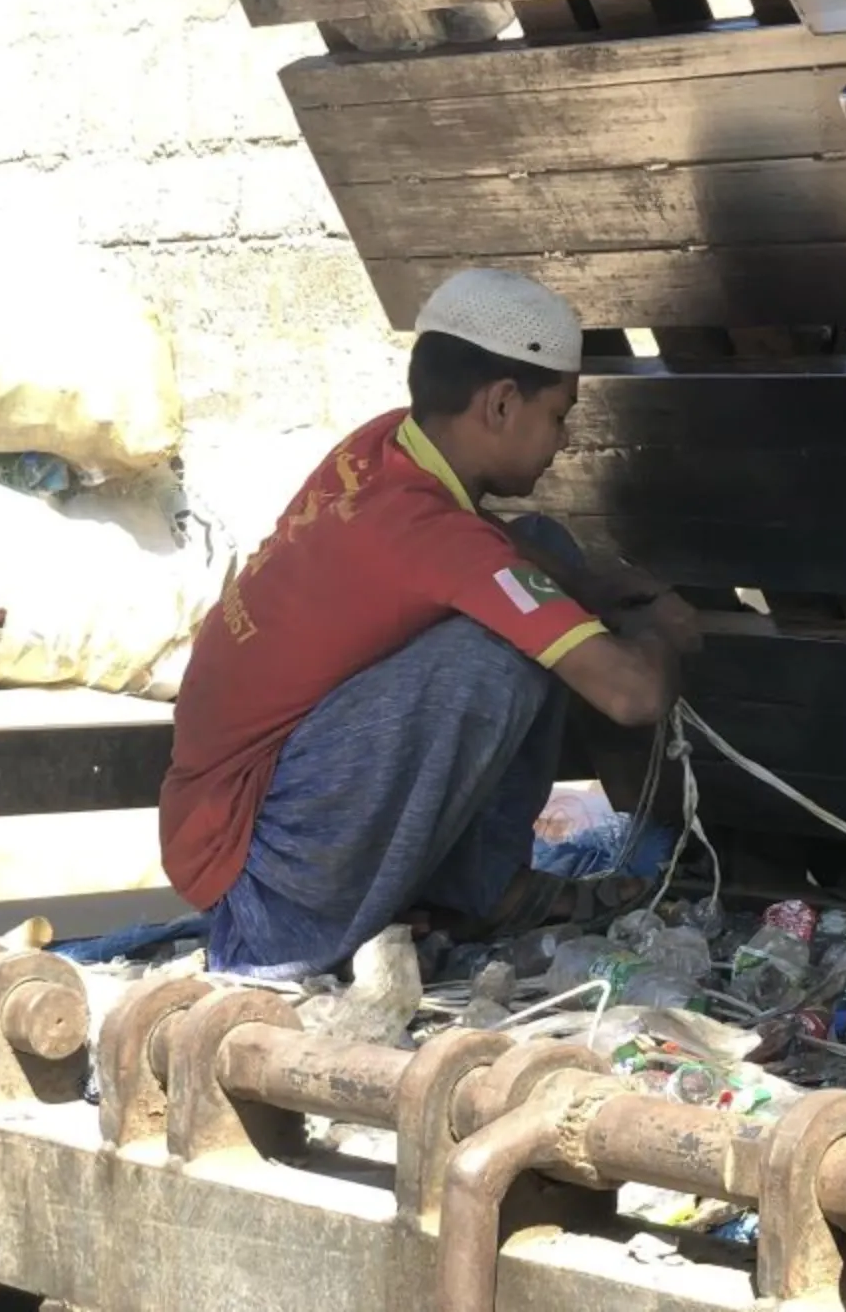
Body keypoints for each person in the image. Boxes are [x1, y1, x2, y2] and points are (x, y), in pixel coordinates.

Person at [158, 268, 699, 977]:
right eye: (560, 415)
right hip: (261, 880)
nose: (563, 441)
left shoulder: (384, 446)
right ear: (503, 403)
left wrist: (595, 586)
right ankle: (315, 935)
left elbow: (501, 549)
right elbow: (634, 695)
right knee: (498, 652)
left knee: (543, 562)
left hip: (239, 817)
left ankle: (484, 889)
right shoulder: (434, 537)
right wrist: (662, 627)